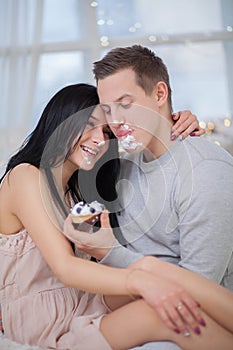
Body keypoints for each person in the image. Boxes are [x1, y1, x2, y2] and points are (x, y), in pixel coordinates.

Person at [0, 83, 233, 350]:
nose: (100, 139)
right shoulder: (24, 177)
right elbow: (65, 268)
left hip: (86, 303)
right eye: (90, 124)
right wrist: (140, 282)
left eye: (108, 132)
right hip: (48, 325)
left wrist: (172, 124)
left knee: (167, 274)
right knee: (161, 311)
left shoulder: (80, 188)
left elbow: (146, 146)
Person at [70, 45, 233, 350]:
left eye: (126, 104)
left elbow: (200, 289)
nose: (116, 121)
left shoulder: (206, 172)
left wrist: (109, 252)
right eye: (108, 109)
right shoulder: (124, 161)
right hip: (128, 303)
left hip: (190, 321)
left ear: (159, 95)